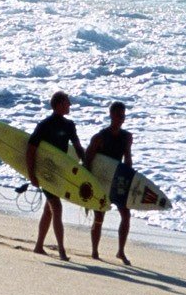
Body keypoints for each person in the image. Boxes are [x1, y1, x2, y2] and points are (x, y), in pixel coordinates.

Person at [25, 91, 85, 260]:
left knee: (49, 209)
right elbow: (31, 149)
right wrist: (32, 174)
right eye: (67, 102)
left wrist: (85, 167)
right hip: (45, 172)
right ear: (58, 104)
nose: (70, 105)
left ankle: (38, 246)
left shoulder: (69, 125)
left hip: (59, 173)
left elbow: (78, 147)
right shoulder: (45, 125)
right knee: (56, 208)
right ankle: (61, 251)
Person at [84, 101, 135, 264]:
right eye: (119, 115)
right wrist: (88, 185)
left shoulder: (126, 137)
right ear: (111, 115)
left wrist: (129, 180)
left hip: (118, 180)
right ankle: (94, 251)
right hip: (101, 181)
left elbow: (127, 160)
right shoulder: (99, 138)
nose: (122, 118)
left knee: (126, 215)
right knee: (99, 216)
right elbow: (88, 161)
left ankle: (120, 251)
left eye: (123, 115)